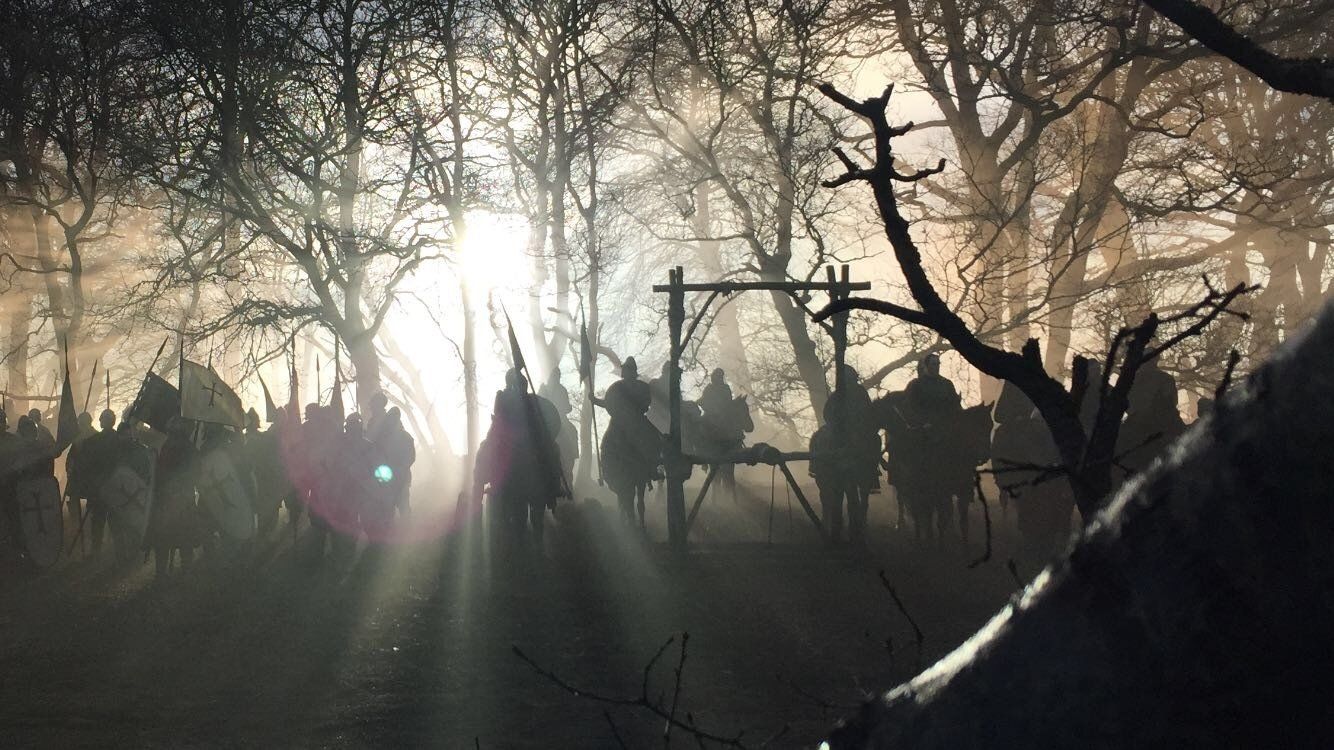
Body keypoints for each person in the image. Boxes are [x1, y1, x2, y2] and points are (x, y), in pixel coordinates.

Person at [476, 368, 565, 545]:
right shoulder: (503, 397)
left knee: (552, 451)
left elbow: (545, 419)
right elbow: (500, 416)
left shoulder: (531, 400)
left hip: (529, 442)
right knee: (487, 449)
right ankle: (487, 480)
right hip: (511, 442)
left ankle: (554, 485)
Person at [816, 365, 880, 545]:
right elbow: (827, 413)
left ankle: (872, 468)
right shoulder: (837, 395)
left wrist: (859, 425)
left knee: (874, 439)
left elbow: (867, 412)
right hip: (839, 435)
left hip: (857, 432)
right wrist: (838, 425)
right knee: (823, 439)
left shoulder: (860, 393)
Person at [595, 358, 661, 528]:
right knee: (607, 444)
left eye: (628, 369)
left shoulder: (642, 388)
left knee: (655, 439)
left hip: (637, 422)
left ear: (632, 371)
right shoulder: (616, 388)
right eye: (625, 370)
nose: (626, 372)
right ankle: (608, 466)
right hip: (619, 423)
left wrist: (632, 412)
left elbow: (645, 404)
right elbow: (609, 404)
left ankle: (653, 468)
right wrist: (594, 400)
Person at [147, 418, 204, 578]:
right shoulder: (188, 448)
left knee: (165, 539)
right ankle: (185, 570)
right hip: (181, 499)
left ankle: (162, 573)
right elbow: (196, 474)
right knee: (184, 538)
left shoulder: (166, 446)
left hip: (168, 500)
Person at [374, 407, 415, 520]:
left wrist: (400, 468)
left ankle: (406, 528)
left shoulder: (406, 437)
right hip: (389, 479)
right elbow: (377, 456)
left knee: (403, 509)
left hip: (401, 479)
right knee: (389, 510)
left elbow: (411, 457)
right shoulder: (383, 437)